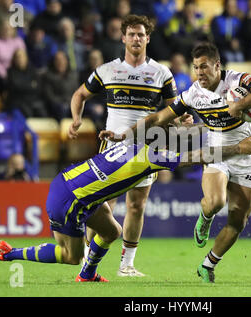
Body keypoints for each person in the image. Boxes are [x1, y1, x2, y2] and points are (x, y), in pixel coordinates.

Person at [100, 42, 251, 283]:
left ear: (217, 65)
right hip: (216, 151)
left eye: (204, 67)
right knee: (216, 202)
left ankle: (208, 264)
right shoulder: (193, 93)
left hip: (246, 155)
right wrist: (124, 134)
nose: (199, 72)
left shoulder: (237, 80)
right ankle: (205, 219)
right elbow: (158, 117)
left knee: (239, 220)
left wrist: (240, 104)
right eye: (195, 68)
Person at [0, 131, 251, 282]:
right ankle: (9, 253)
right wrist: (237, 149)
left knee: (111, 231)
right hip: (69, 200)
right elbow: (199, 155)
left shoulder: (133, 144)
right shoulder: (151, 156)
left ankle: (88, 275)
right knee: (70, 254)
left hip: (71, 185)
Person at [68, 14, 188, 277]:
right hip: (113, 146)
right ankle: (89, 258)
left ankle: (127, 264)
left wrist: (183, 118)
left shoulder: (161, 73)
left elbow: (173, 111)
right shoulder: (108, 70)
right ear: (123, 38)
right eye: (131, 34)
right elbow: (79, 95)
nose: (136, 38)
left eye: (141, 34)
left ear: (148, 38)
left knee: (137, 205)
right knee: (103, 205)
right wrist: (77, 118)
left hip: (147, 146)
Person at [5, 48, 48, 118]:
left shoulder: (32, 70)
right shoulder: (10, 72)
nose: (20, 59)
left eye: (22, 56)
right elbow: (16, 87)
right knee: (26, 112)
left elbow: (38, 87)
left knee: (43, 112)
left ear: (26, 58)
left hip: (32, 101)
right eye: (18, 57)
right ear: (14, 59)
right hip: (17, 102)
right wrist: (31, 85)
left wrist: (23, 84)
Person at [42, 51, 79, 121]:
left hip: (71, 103)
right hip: (56, 106)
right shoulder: (48, 76)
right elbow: (49, 96)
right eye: (57, 60)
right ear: (54, 62)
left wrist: (70, 103)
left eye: (62, 59)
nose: (60, 62)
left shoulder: (73, 75)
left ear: (66, 61)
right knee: (63, 109)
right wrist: (64, 102)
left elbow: (77, 93)